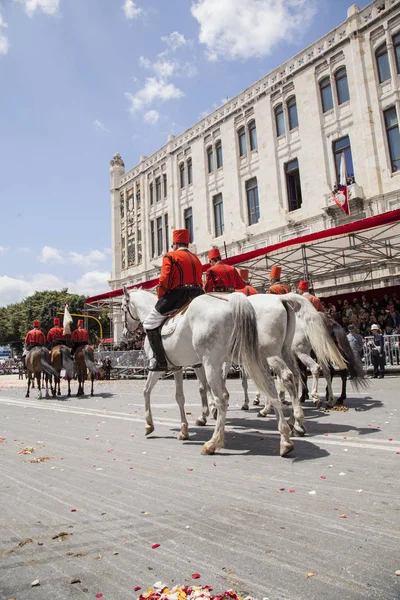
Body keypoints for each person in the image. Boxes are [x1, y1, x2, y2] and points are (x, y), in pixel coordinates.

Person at [142, 229, 204, 371]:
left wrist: (161, 296)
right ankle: (195, 359)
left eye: (172, 245)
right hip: (198, 294)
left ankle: (160, 361)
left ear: (175, 244)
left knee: (149, 323)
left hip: (178, 295)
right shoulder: (196, 258)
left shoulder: (170, 256)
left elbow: (164, 280)